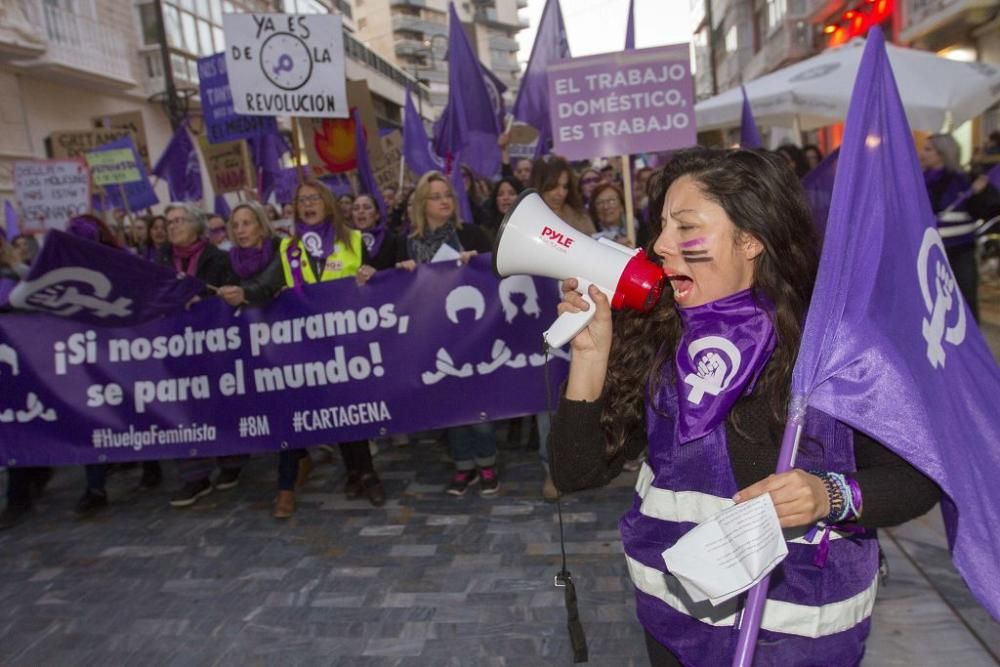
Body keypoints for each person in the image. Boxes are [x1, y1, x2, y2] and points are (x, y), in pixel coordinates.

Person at [549, 148, 940, 666]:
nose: (661, 245)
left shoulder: (838, 347)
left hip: (798, 636)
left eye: (686, 226)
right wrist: (592, 355)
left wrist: (827, 496)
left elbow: (917, 480)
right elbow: (575, 472)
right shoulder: (660, 334)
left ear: (751, 239)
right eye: (661, 225)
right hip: (675, 625)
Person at [281, 179, 386, 508]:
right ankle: (354, 471)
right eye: (302, 200)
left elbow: (377, 282)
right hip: (314, 345)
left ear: (327, 203)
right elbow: (270, 283)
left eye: (314, 198)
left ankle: (368, 473)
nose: (308, 205)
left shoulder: (353, 240)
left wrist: (371, 276)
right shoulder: (288, 248)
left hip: (351, 340)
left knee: (354, 407)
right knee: (336, 411)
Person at [395, 171, 499, 496]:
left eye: (448, 196)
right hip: (431, 336)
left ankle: (487, 463)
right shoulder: (407, 242)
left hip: (471, 335)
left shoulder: (470, 234)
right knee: (451, 405)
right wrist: (400, 272)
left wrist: (476, 262)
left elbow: (497, 268)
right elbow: (381, 281)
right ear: (422, 204)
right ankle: (462, 466)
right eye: (436, 196)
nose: (444, 201)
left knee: (479, 405)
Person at [159, 203, 242, 508]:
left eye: (180, 220)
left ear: (196, 226)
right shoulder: (161, 260)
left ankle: (231, 462)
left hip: (213, 347)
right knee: (184, 409)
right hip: (175, 348)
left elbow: (229, 293)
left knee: (219, 404)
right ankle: (195, 476)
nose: (173, 226)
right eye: (169, 222)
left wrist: (204, 299)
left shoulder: (217, 259)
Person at [920, 133, 1000, 321]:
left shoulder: (964, 180)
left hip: (961, 249)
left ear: (942, 153)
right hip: (930, 249)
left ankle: (971, 344)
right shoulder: (918, 181)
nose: (922, 153)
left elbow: (980, 210)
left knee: (966, 295)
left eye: (928, 149)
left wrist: (979, 193)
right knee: (931, 298)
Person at [531, 157, 595, 235]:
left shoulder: (580, 218)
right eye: (553, 186)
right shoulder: (525, 217)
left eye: (565, 186)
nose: (561, 193)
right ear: (539, 185)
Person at [350, 194, 397, 271]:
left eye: (367, 207)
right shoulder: (345, 240)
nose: (361, 211)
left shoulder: (393, 240)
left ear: (377, 215)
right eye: (356, 208)